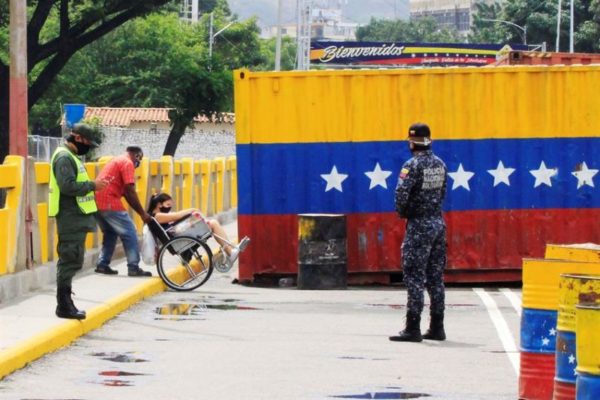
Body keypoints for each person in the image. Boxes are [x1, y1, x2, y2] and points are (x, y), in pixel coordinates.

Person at [389, 123, 448, 342]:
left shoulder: (411, 166)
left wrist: (406, 214)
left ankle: (412, 327)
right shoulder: (440, 164)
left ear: (412, 142)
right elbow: (442, 193)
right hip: (437, 223)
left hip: (419, 225)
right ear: (429, 140)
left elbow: (401, 196)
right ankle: (437, 326)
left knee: (414, 276)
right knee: (435, 277)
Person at [49, 123, 109, 319]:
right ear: (78, 138)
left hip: (76, 217)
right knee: (69, 259)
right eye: (87, 142)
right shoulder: (64, 157)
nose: (88, 146)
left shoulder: (71, 156)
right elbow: (67, 186)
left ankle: (66, 302)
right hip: (69, 218)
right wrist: (93, 185)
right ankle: (64, 305)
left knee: (74, 259)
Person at [94, 146, 153, 277]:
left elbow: (126, 192)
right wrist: (143, 214)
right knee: (130, 232)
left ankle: (102, 265)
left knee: (110, 233)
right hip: (109, 202)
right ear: (137, 155)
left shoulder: (117, 160)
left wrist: (141, 212)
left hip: (97, 202)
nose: (139, 162)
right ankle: (133, 267)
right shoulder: (127, 163)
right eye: (140, 159)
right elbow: (129, 191)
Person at [147, 193, 241, 268]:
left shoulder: (158, 215)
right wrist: (191, 210)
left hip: (179, 237)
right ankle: (230, 252)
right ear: (159, 204)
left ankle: (230, 250)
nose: (169, 207)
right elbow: (175, 215)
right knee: (213, 224)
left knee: (211, 224)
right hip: (178, 242)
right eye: (167, 205)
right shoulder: (157, 216)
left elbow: (175, 216)